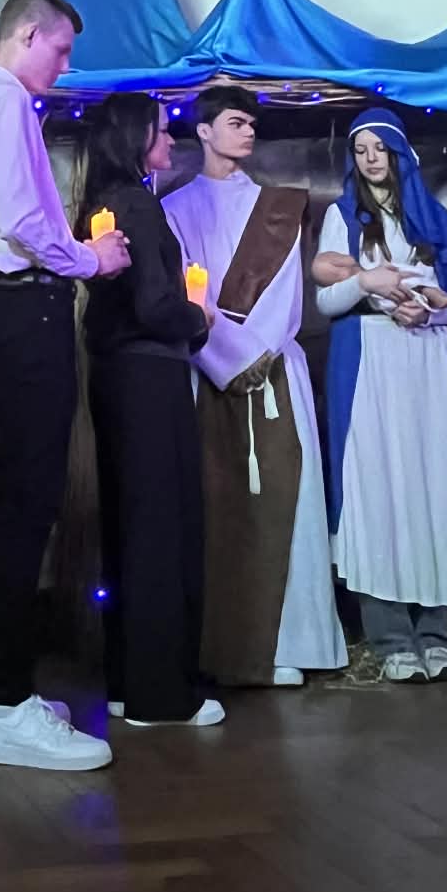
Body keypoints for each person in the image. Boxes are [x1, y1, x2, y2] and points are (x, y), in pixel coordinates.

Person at [0, 0, 130, 772]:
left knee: (15, 504)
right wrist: (92, 259)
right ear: (27, 36)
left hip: (14, 305)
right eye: (60, 50)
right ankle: (7, 708)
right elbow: (25, 222)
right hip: (29, 306)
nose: (64, 66)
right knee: (27, 505)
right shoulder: (2, 102)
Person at [164, 87, 347, 689]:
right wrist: (223, 360)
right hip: (205, 371)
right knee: (211, 507)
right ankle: (216, 647)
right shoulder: (173, 208)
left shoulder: (280, 206)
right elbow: (182, 290)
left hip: (272, 371)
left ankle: (288, 643)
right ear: (204, 131)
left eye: (251, 123)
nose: (248, 132)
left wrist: (252, 356)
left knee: (285, 502)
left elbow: (285, 293)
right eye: (236, 122)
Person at [312, 108, 447, 683]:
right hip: (371, 361)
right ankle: (391, 637)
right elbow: (325, 301)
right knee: (379, 490)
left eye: (379, 147)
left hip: (427, 363)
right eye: (360, 149)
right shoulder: (341, 218)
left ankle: (437, 636)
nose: (370, 158)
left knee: (435, 485)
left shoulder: (434, 218)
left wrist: (433, 310)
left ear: (399, 153)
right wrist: (365, 282)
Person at [77, 94, 221, 728]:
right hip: (149, 377)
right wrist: (199, 317)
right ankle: (161, 695)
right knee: (161, 527)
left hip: (117, 377)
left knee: (131, 526)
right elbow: (155, 306)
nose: (170, 141)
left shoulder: (103, 200)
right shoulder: (136, 203)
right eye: (162, 132)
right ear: (135, 138)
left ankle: (128, 679)